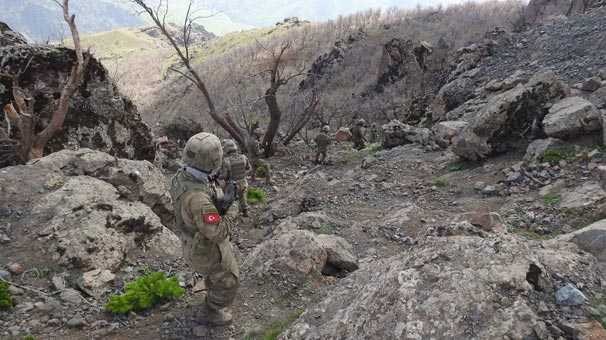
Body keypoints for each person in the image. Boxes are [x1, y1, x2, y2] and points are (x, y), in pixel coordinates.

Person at [169, 133, 239, 326]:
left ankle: (210, 285)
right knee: (229, 280)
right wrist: (232, 207)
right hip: (204, 248)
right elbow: (217, 232)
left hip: (189, 239)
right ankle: (211, 311)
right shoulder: (199, 199)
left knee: (214, 275)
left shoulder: (181, 176)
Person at [221, 139, 252, 217]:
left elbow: (225, 176)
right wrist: (243, 175)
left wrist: (218, 176)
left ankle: (226, 214)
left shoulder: (226, 161)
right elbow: (249, 168)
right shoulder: (243, 157)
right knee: (243, 196)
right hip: (244, 182)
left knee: (227, 199)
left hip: (233, 185)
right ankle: (245, 211)